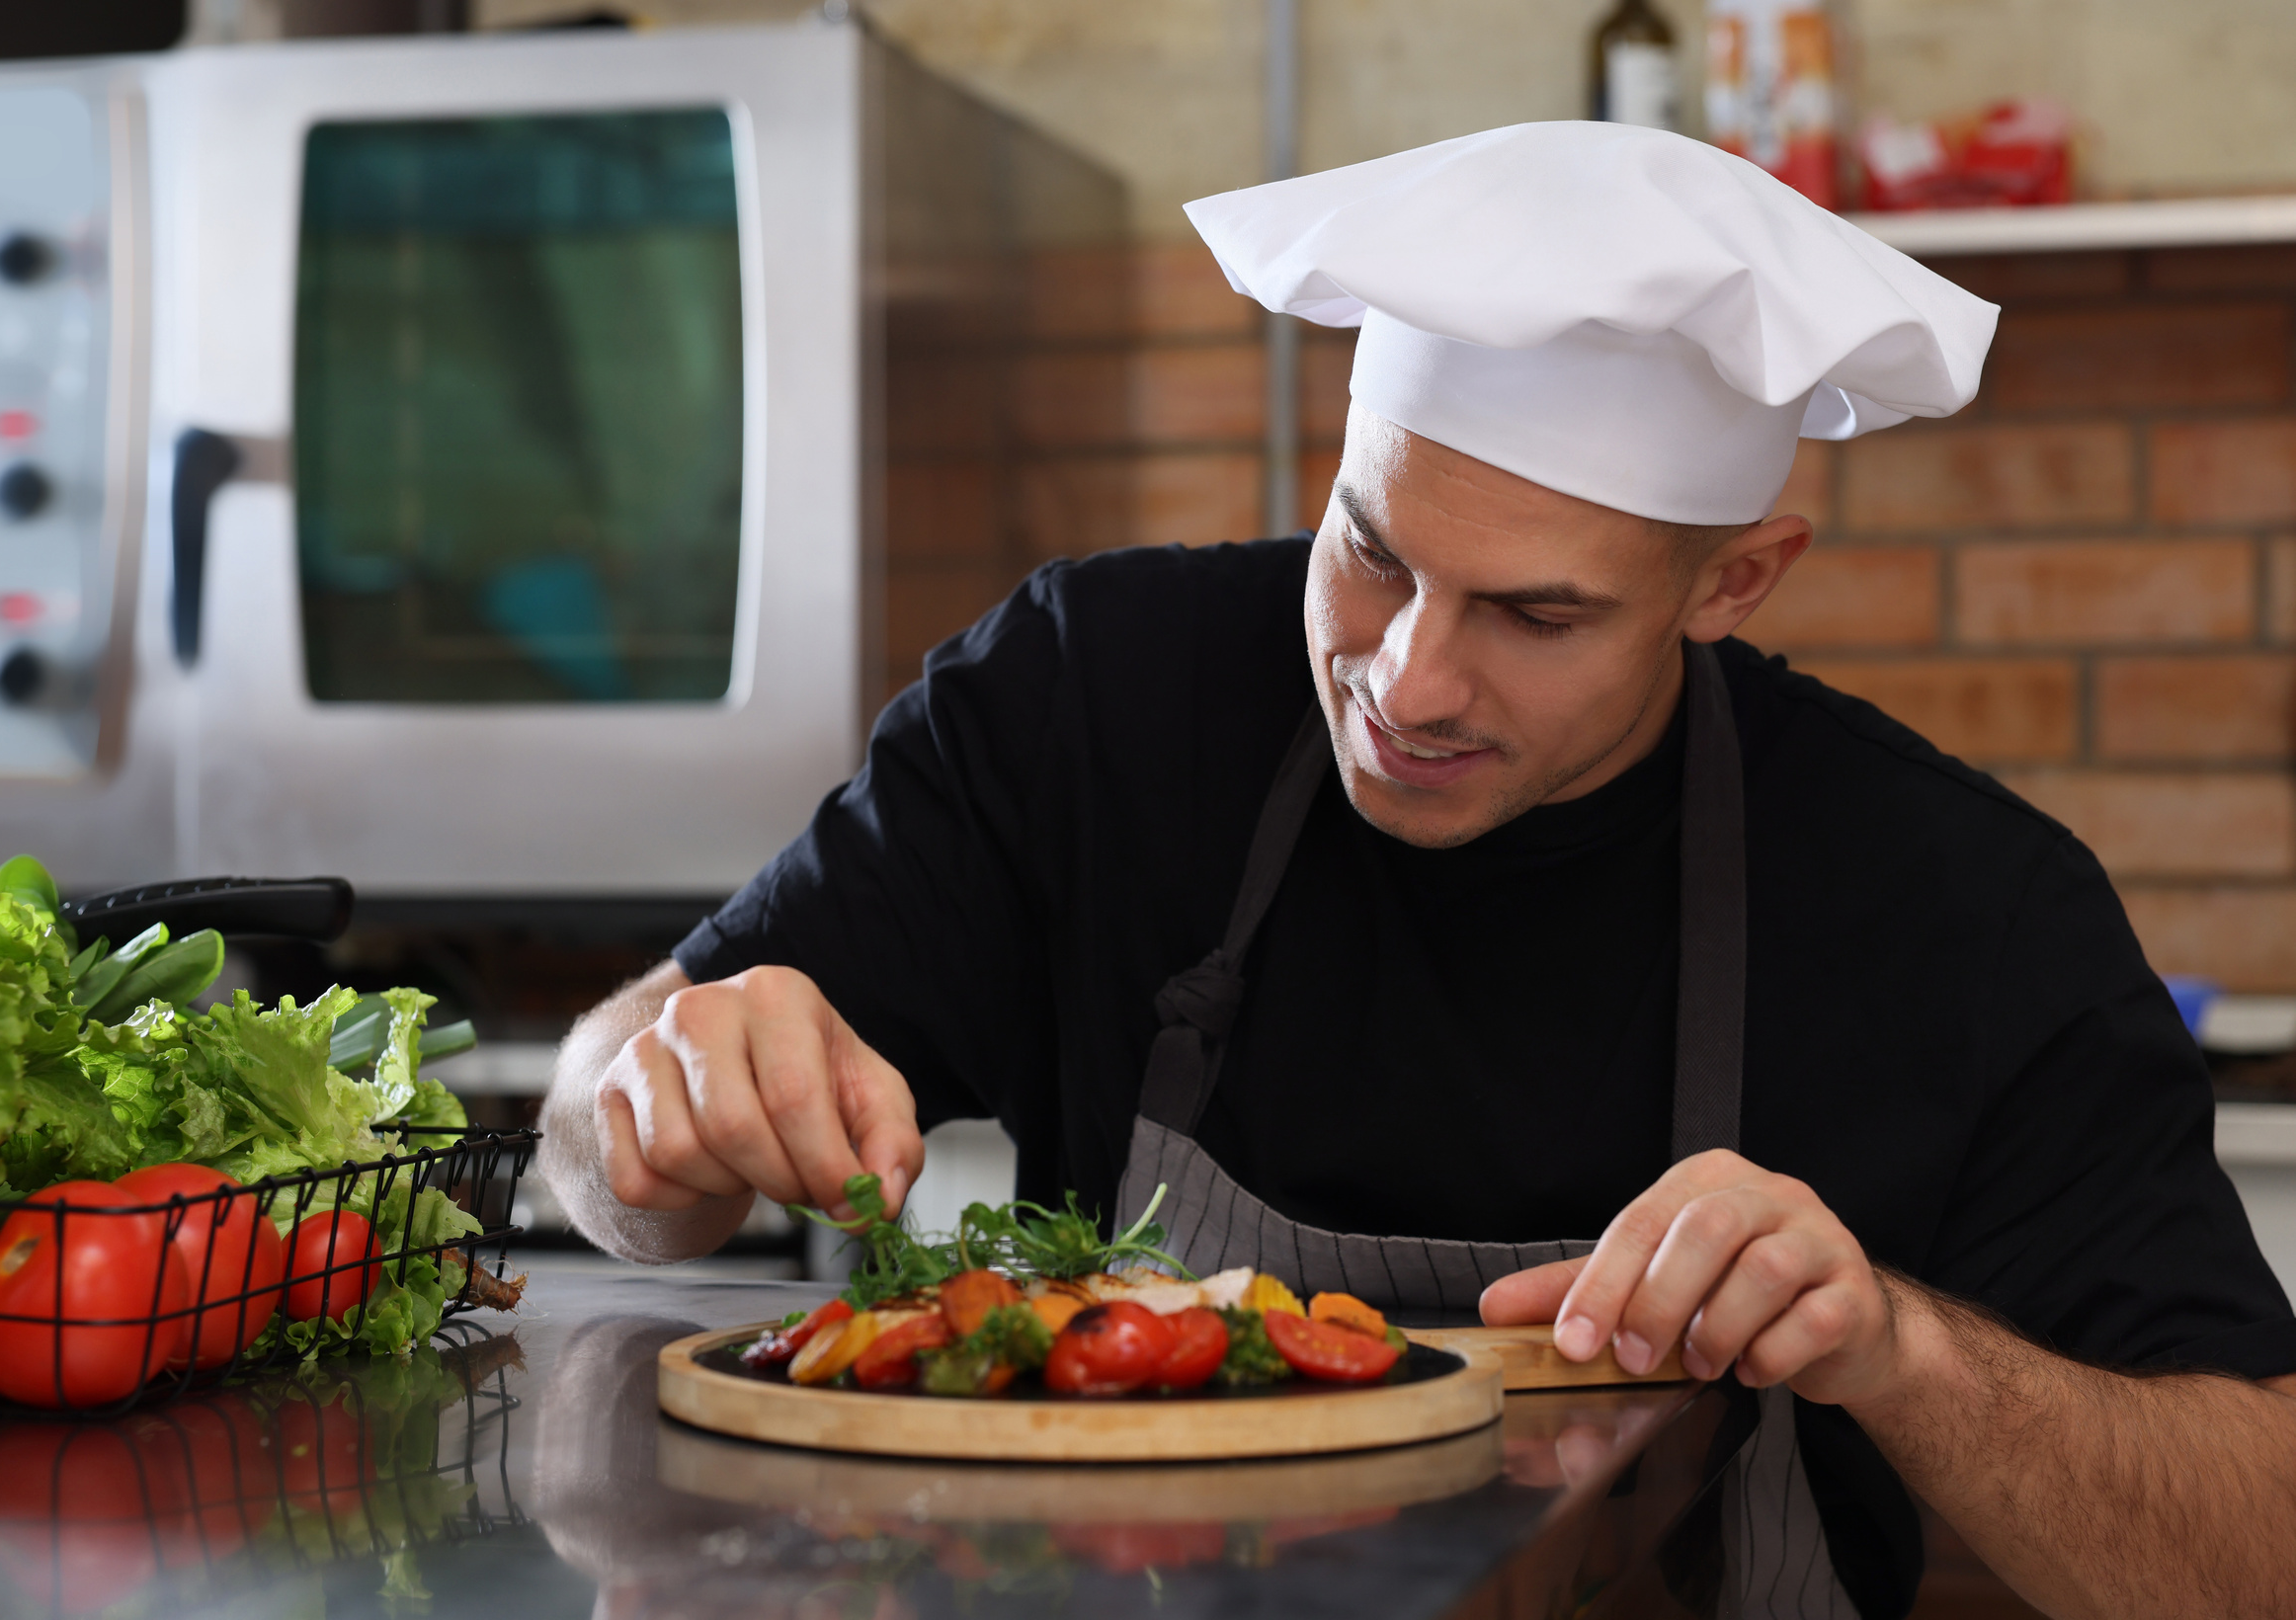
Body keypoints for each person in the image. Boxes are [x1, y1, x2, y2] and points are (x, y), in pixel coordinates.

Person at [539, 122, 2296, 1619]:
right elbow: (613, 1165)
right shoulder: (1091, 700)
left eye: (1538, 615)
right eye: (1370, 552)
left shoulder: (1959, 910)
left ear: (1736, 581)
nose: (1407, 681)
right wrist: (658, 1093)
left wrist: (1898, 1354)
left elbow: (2258, 1554)